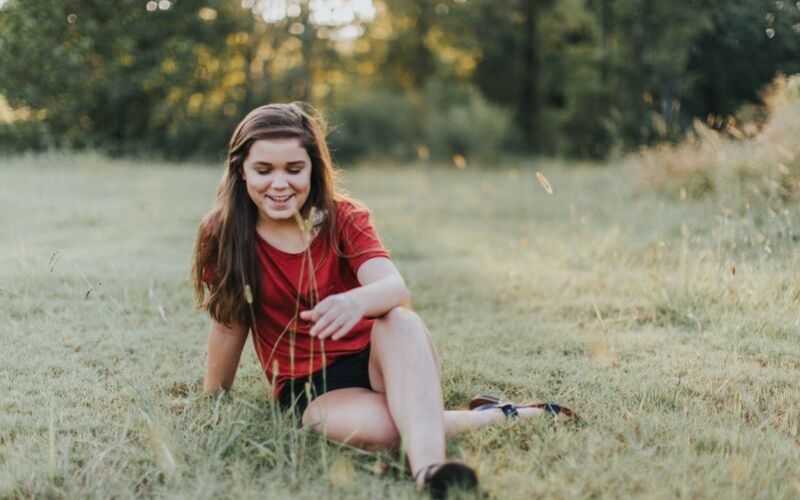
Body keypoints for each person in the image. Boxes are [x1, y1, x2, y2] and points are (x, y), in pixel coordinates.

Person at [191, 102, 575, 498]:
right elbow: (228, 322)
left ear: (312, 168)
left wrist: (357, 302)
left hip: (382, 358)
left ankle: (429, 471)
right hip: (311, 389)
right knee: (392, 429)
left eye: (294, 169)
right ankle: (496, 416)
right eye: (263, 170)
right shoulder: (224, 234)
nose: (279, 183)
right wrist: (213, 398)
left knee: (401, 319)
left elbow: (395, 289)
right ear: (241, 170)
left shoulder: (345, 218)